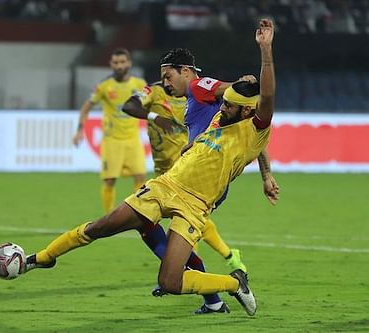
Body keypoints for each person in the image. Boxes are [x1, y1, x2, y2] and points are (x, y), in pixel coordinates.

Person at [25, 19, 276, 316]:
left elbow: (263, 99)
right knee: (103, 226)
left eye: (229, 105)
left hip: (196, 204)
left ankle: (233, 285)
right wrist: (195, 148)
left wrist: (265, 50)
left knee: (170, 280)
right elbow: (215, 118)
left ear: (247, 110)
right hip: (166, 184)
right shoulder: (219, 118)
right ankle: (42, 258)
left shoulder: (250, 124)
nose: (222, 107)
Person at [121, 76, 279, 313]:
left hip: (201, 180)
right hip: (173, 175)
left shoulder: (203, 91)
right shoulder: (175, 97)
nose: (166, 80)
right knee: (169, 230)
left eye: (169, 73)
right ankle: (208, 295)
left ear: (185, 71)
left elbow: (255, 133)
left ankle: (211, 276)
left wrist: (266, 174)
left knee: (169, 229)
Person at [73, 48, 147, 214]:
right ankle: (109, 216)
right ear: (111, 64)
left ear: (129, 63)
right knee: (109, 180)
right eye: (116, 62)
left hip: (133, 139)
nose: (119, 66)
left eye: (122, 62)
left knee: (141, 177)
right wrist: (79, 131)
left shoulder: (139, 84)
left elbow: (151, 104)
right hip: (112, 140)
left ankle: (140, 214)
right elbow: (86, 107)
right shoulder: (104, 86)